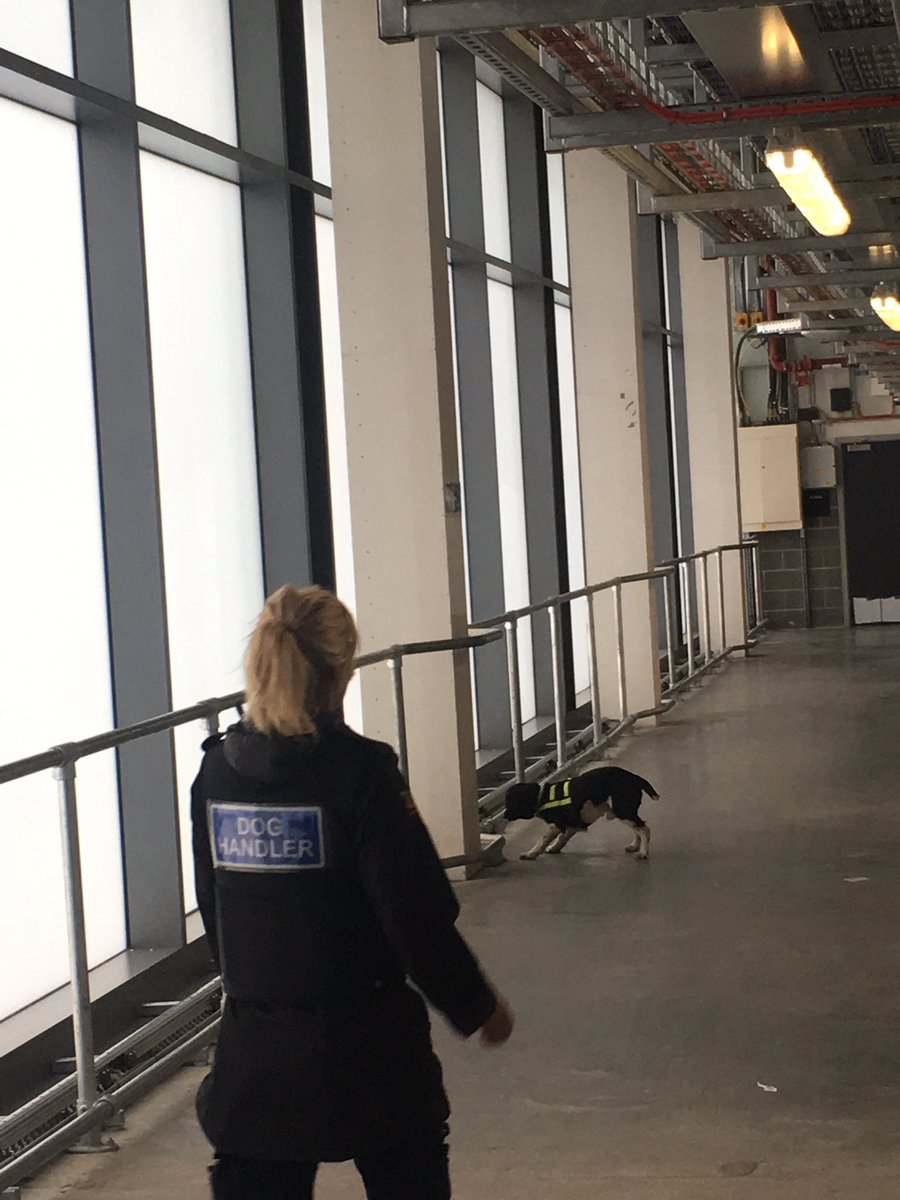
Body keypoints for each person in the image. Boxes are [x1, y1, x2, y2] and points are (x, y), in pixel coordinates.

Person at [191, 584, 513, 1200]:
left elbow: (216, 908)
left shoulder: (216, 773)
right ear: (342, 669)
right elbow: (412, 912)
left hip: (256, 1056)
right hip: (370, 1046)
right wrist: (474, 1004)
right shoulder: (361, 773)